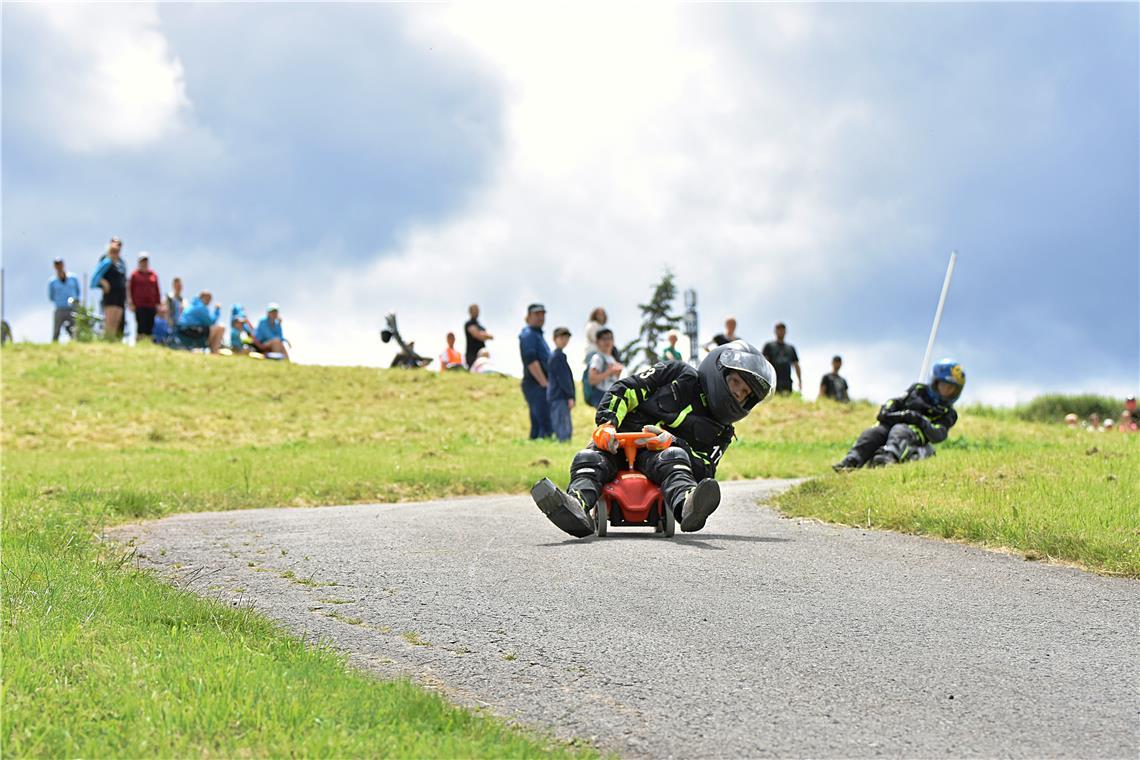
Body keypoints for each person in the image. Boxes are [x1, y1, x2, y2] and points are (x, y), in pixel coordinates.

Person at [531, 340, 777, 537]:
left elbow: (706, 469)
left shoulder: (722, 431)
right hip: (618, 443)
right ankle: (576, 506)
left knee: (676, 458)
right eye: (735, 382)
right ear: (719, 371)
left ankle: (688, 506)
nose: (737, 392)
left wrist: (672, 442)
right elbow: (626, 389)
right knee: (589, 458)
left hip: (660, 459)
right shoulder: (677, 373)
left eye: (745, 393)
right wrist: (607, 424)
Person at [833, 359, 966, 470]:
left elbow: (939, 434)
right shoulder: (917, 390)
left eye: (951, 388)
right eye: (944, 385)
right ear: (935, 382)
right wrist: (887, 410)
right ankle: (852, 460)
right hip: (894, 425)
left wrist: (918, 420)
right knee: (875, 432)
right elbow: (896, 401)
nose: (947, 391)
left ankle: (887, 459)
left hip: (915, 439)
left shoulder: (949, 413)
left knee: (900, 430)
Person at [519, 303, 552, 439]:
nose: (540, 317)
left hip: (540, 385)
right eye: (537, 314)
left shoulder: (538, 335)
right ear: (529, 316)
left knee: (538, 424)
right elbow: (531, 360)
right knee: (544, 423)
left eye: (542, 314)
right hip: (536, 384)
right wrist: (544, 383)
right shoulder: (528, 334)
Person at [90, 237, 127, 339]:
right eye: (114, 249)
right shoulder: (105, 260)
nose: (116, 251)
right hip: (110, 295)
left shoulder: (121, 263)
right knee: (109, 321)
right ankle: (107, 341)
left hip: (120, 295)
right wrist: (104, 282)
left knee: (117, 321)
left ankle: (113, 342)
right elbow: (95, 276)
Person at [546, 327, 576, 442]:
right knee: (563, 426)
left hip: (557, 396)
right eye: (561, 337)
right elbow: (563, 379)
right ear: (555, 339)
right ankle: (563, 442)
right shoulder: (557, 357)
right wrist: (569, 395)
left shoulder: (558, 356)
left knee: (562, 423)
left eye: (566, 338)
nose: (564, 340)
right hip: (559, 396)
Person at [585, 328, 624, 406]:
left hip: (612, 395)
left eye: (609, 338)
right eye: (604, 339)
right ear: (597, 342)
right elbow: (592, 380)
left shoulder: (613, 359)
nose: (607, 341)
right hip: (601, 395)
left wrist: (617, 373)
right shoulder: (597, 358)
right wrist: (610, 371)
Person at [128, 252, 161, 339]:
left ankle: (148, 344)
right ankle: (140, 344)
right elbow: (130, 289)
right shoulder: (134, 275)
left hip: (151, 305)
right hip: (139, 305)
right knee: (141, 326)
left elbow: (157, 289)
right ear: (139, 262)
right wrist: (130, 303)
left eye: (145, 260)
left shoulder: (153, 275)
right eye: (142, 261)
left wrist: (158, 303)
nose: (144, 263)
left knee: (150, 326)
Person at [762, 322, 801, 394]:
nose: (780, 331)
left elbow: (796, 365)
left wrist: (799, 380)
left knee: (787, 403)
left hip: (787, 382)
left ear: (785, 332)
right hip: (773, 381)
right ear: (775, 331)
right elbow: (763, 363)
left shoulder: (791, 348)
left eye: (782, 329)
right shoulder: (769, 346)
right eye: (778, 329)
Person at [48, 257, 81, 342]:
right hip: (60, 308)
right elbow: (51, 296)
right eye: (57, 264)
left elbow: (78, 291)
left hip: (73, 308)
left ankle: (76, 344)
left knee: (75, 330)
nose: (59, 266)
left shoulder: (73, 278)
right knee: (56, 331)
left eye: (60, 264)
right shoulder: (52, 281)